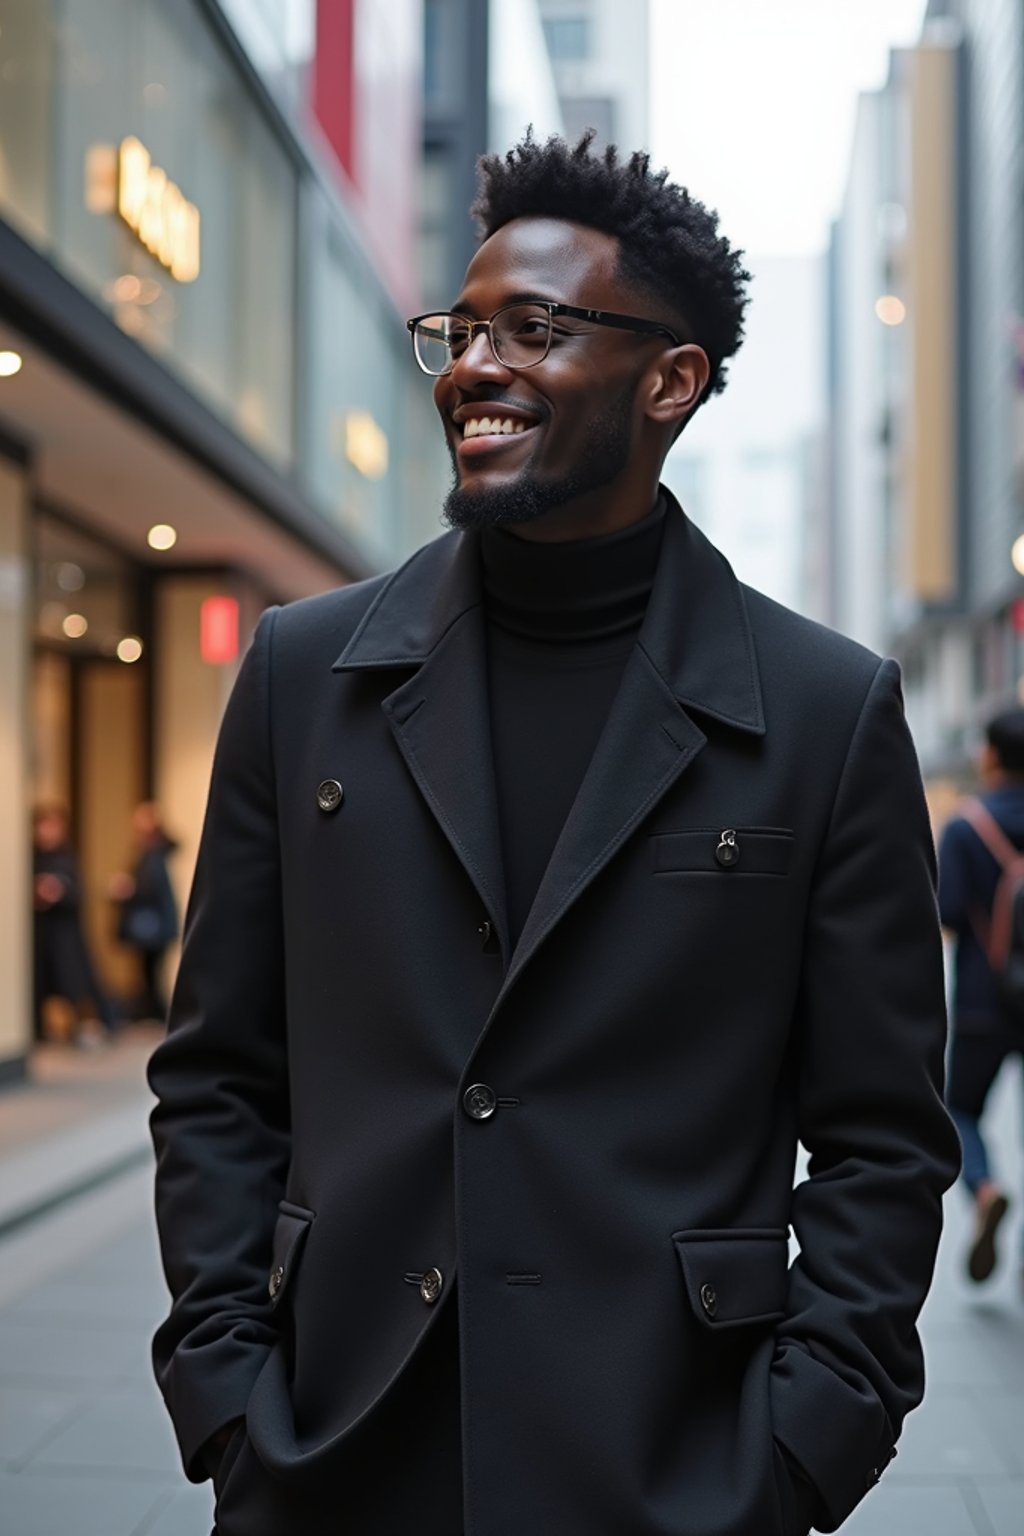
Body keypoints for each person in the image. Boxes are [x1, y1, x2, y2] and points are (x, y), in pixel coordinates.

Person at [148, 131, 960, 1536]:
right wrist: (226, 1390)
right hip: (328, 1452)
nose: (474, 365)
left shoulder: (826, 712)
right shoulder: (303, 673)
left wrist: (810, 1440)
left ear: (672, 380)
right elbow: (220, 1072)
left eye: (534, 329)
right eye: (461, 330)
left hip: (670, 1467)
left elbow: (885, 1135)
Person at [938, 708, 1024, 1286]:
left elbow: (944, 912)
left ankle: (986, 1187)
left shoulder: (968, 827)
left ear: (991, 755)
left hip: (981, 1001)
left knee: (960, 1110)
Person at [33, 802, 115, 1046]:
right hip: (40, 935)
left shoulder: (66, 857)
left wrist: (59, 891)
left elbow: (78, 892)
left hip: (65, 935)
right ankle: (38, 1030)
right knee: (37, 985)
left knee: (77, 982)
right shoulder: (30, 857)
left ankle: (95, 1025)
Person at [111, 801, 180, 1023]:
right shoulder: (149, 851)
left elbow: (150, 888)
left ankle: (158, 1015)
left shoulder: (154, 853)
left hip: (154, 925)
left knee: (151, 973)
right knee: (148, 972)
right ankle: (154, 1014)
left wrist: (128, 889)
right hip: (157, 924)